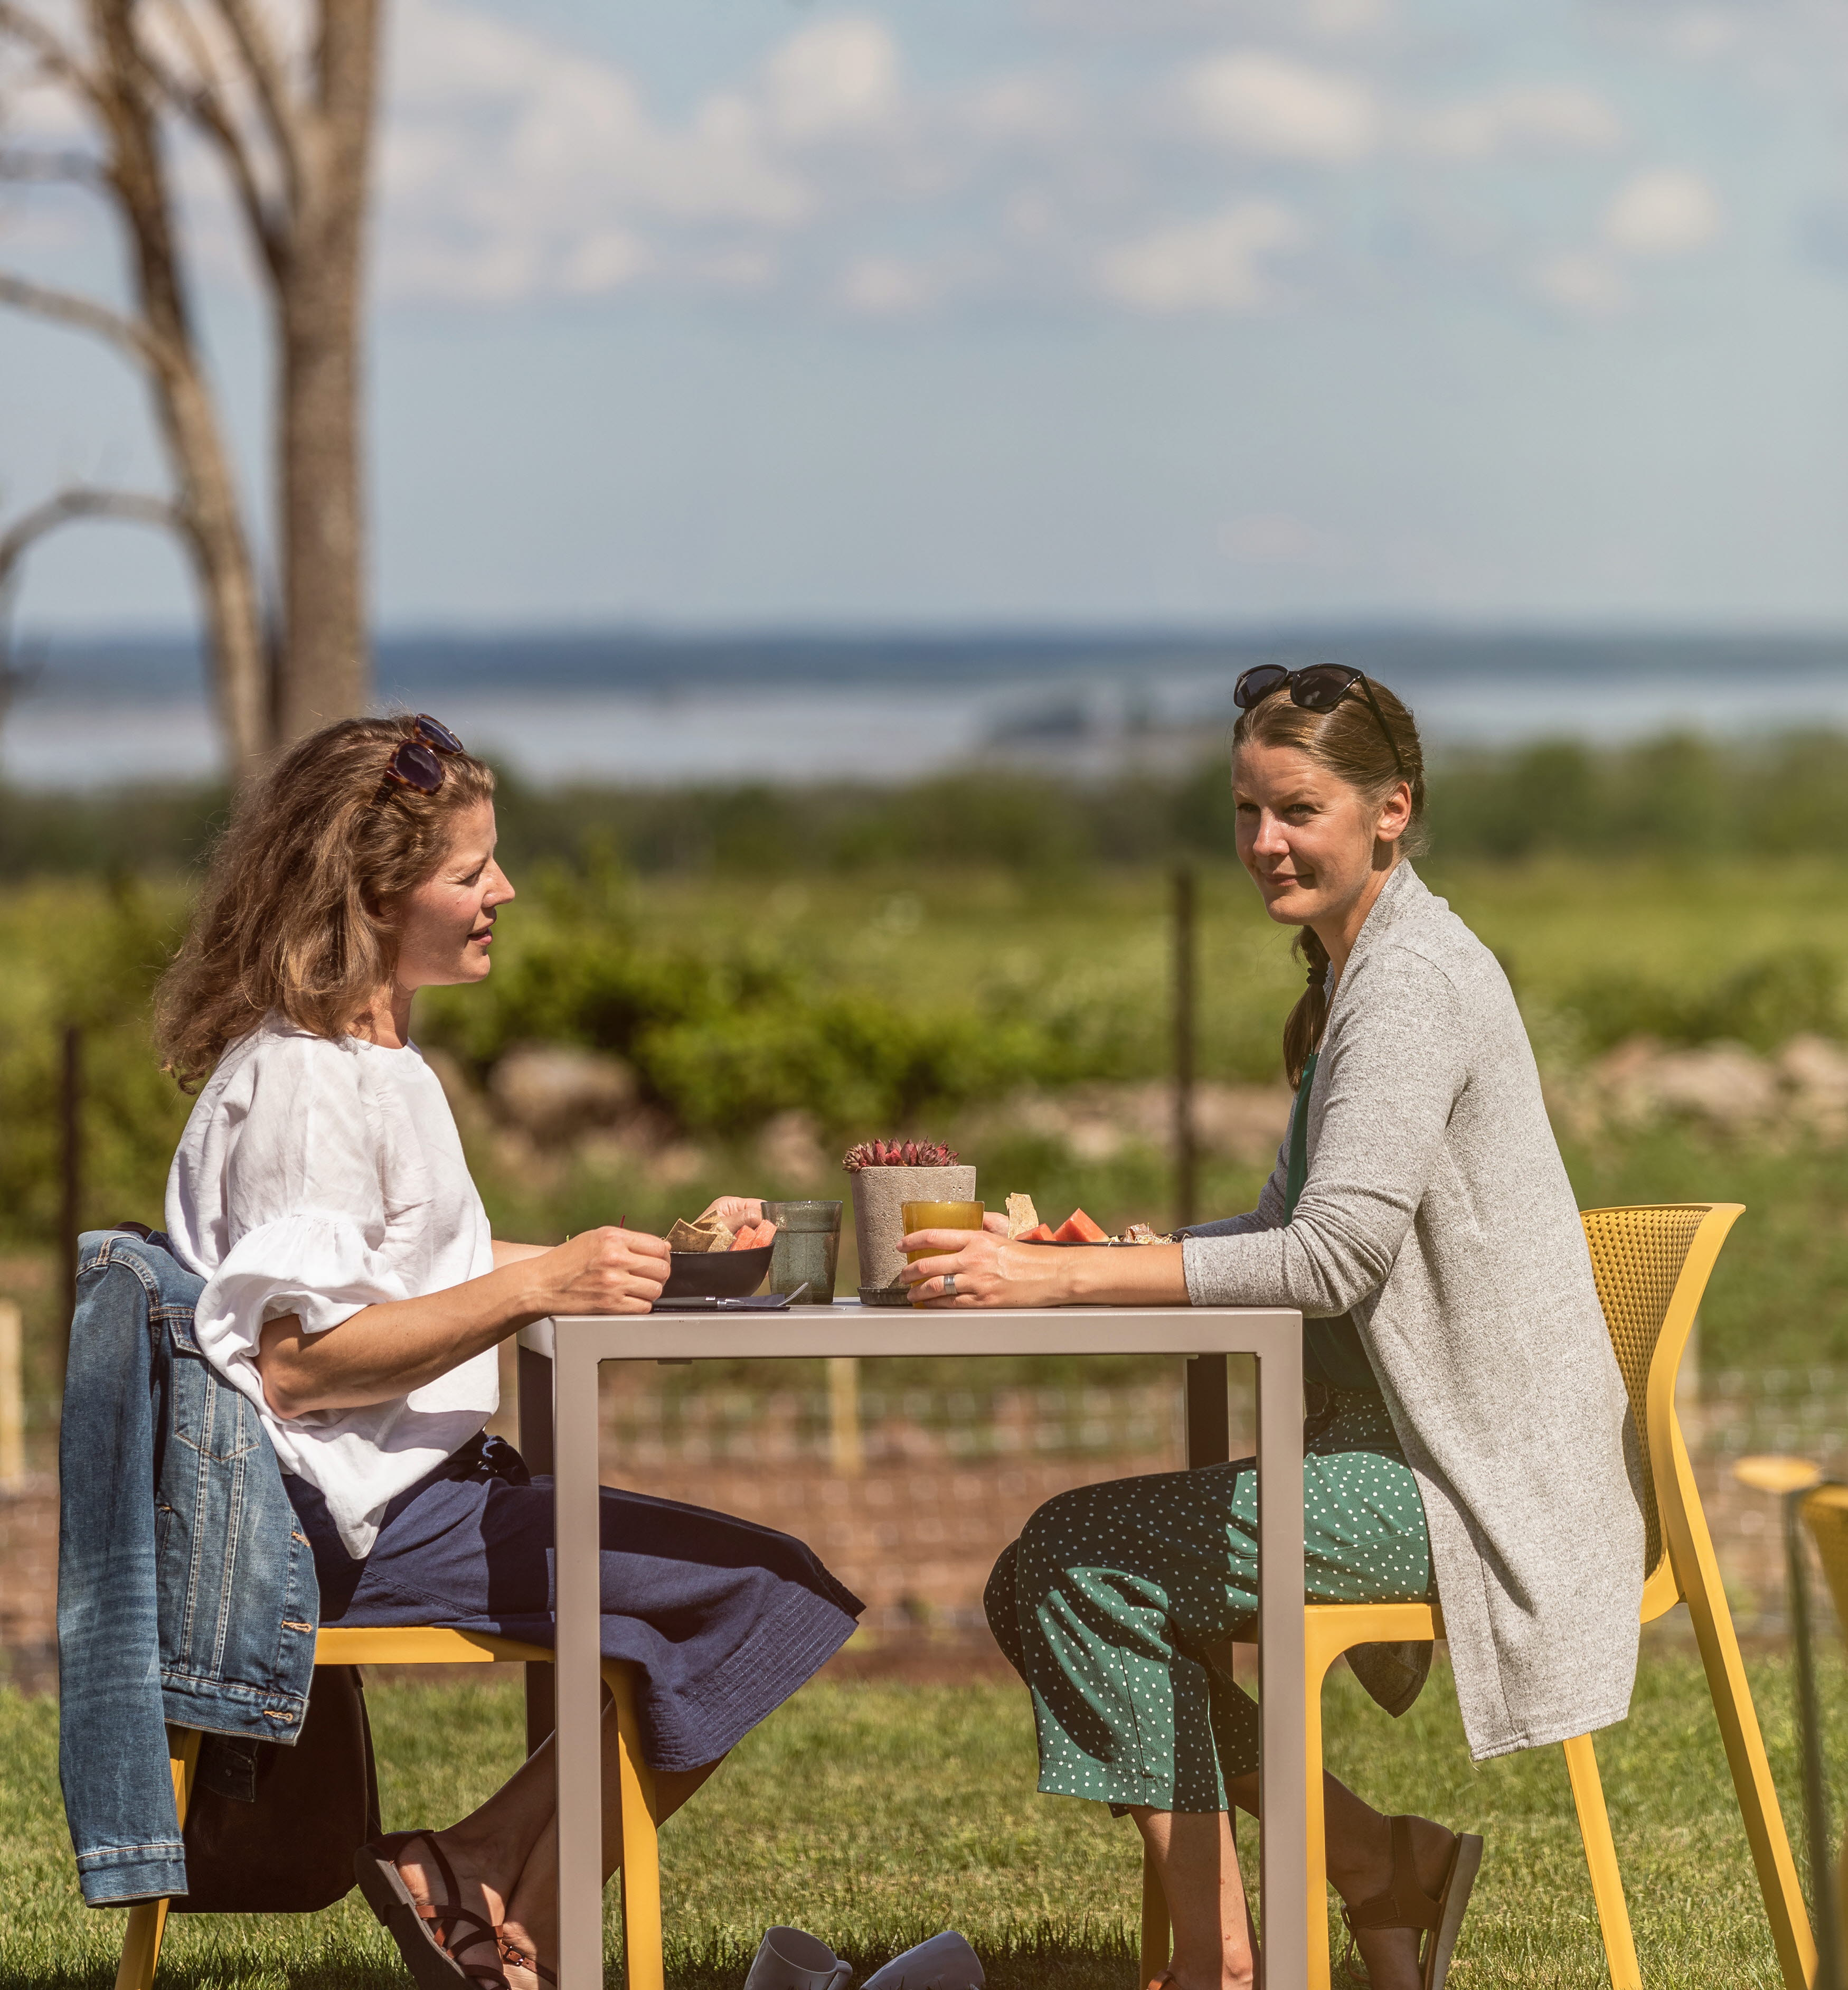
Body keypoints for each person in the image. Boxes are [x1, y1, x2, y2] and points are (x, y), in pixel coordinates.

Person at [899, 667, 1644, 1990]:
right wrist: (1127, 1254)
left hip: (1467, 1484)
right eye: (1246, 810)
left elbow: (1329, 1260)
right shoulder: (1359, 974)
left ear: (1390, 810)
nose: (1262, 844)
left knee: (1078, 1562)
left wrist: (1058, 1288)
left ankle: (1224, 1962)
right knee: (1054, 1575)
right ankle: (1368, 1863)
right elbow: (1281, 1228)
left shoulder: (1410, 983)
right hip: (1408, 1450)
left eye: (1295, 810)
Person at [154, 714, 860, 1990]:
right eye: (470, 872)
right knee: (773, 1597)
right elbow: (305, 1364)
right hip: (344, 1533)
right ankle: (485, 1893)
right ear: (371, 896)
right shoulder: (312, 1090)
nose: (504, 893)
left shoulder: (372, 1066)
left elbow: (415, 1273)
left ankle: (476, 1887)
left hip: (412, 1496)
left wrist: (649, 1263)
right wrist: (544, 1279)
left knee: (756, 1590)